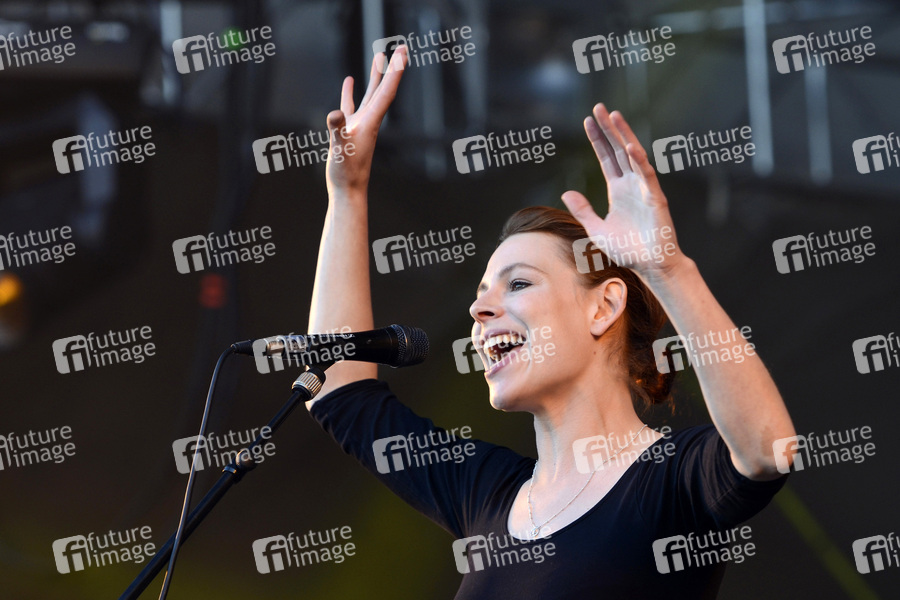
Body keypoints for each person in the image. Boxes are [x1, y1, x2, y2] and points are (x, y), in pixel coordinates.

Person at [305, 46, 796, 599]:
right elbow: (338, 388)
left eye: (517, 284)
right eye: (481, 295)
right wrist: (346, 194)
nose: (479, 311)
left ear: (602, 308)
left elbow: (766, 450)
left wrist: (666, 268)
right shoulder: (490, 493)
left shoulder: (669, 481)